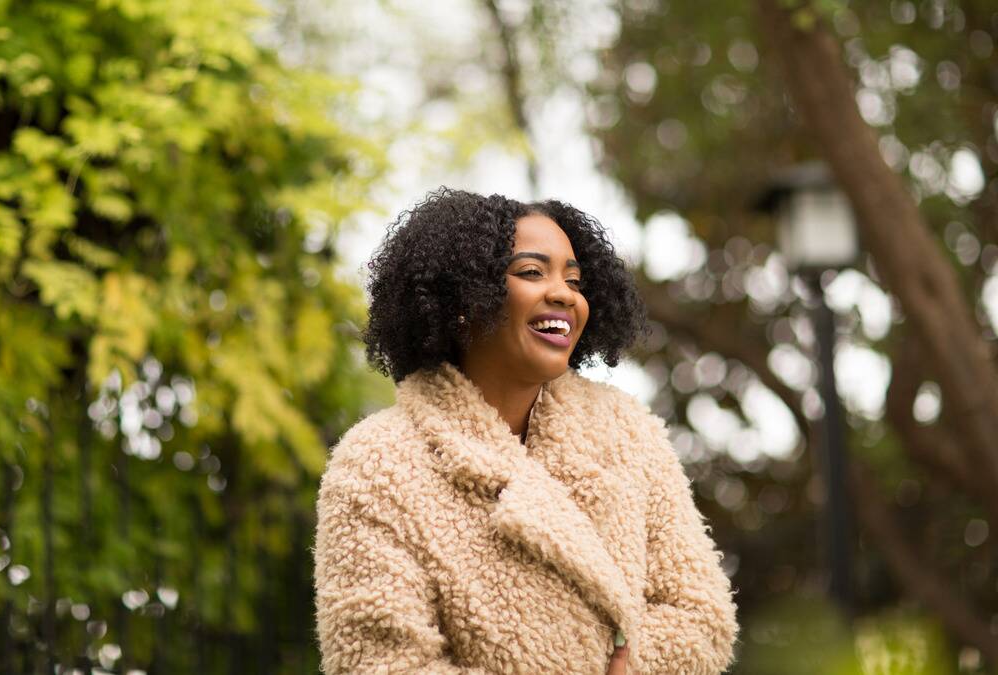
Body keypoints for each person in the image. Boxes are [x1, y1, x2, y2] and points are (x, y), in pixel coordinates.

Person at [313, 188, 739, 674]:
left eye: (574, 280)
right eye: (532, 273)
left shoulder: (628, 432)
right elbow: (379, 665)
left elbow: (702, 616)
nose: (563, 294)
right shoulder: (378, 463)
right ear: (463, 300)